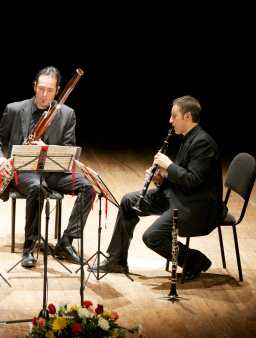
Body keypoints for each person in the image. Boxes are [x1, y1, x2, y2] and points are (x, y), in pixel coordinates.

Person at [88, 95, 227, 281]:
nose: (170, 121)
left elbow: (194, 180)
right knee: (129, 201)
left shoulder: (203, 143)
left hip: (197, 206)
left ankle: (194, 259)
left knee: (152, 236)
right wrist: (162, 180)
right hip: (181, 195)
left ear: (187, 117)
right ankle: (117, 259)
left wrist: (169, 165)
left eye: (174, 116)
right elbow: (184, 177)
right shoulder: (188, 138)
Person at [0, 66, 96, 268]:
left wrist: (46, 149)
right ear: (34, 86)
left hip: (53, 171)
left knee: (88, 187)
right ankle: (29, 246)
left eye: (50, 90)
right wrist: (0, 160)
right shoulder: (14, 109)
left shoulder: (67, 113)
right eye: (41, 89)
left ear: (57, 91)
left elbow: (68, 149)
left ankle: (67, 242)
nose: (44, 94)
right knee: (36, 187)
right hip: (22, 172)